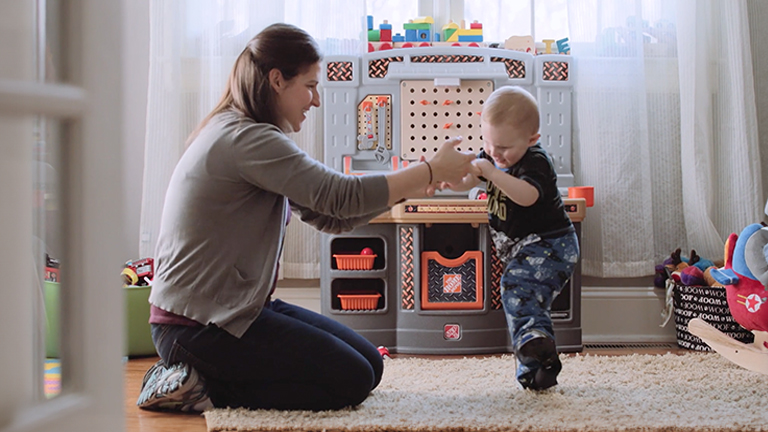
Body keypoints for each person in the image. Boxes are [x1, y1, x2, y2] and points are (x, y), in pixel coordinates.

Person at [136, 23, 477, 413]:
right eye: (310, 86)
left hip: (236, 309)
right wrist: (428, 170)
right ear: (277, 80)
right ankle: (201, 388)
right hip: (197, 328)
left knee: (370, 364)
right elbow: (340, 195)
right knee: (350, 379)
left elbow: (330, 216)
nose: (315, 101)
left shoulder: (248, 133)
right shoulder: (248, 140)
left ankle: (209, 377)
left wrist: (412, 185)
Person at [438, 86, 579, 390]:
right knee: (524, 301)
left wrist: (492, 172)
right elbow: (466, 181)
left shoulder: (535, 161)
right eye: (487, 142)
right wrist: (447, 182)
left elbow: (527, 196)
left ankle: (533, 345)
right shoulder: (491, 157)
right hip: (527, 249)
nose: (494, 152)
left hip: (551, 244)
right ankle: (538, 367)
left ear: (531, 139)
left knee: (516, 288)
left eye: (503, 147)